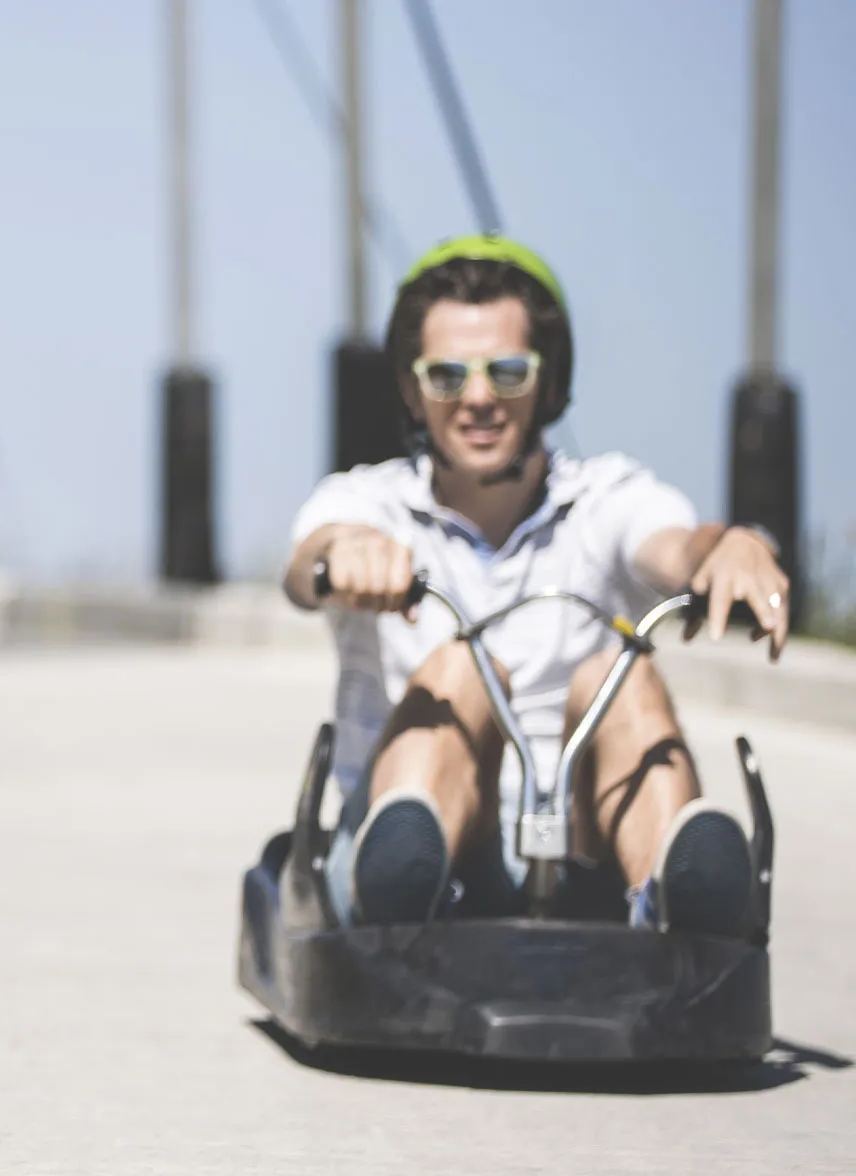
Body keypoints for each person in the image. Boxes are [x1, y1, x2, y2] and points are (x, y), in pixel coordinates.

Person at [285, 235, 789, 934]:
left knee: (621, 666)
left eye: (509, 371)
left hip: (578, 846)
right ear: (412, 388)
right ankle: (402, 886)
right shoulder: (369, 504)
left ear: (548, 384)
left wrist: (729, 550)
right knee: (462, 666)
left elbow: (677, 544)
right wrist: (348, 555)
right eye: (448, 375)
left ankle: (674, 913)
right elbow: (311, 555)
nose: (480, 398)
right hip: (422, 828)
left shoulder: (604, 496)